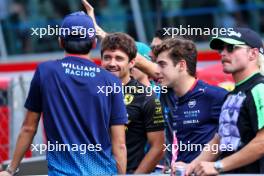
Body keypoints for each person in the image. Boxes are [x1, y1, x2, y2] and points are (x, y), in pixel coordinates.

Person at [0, 11, 128, 176]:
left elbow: (28, 128)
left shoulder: (45, 71)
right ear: (94, 43)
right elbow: (120, 144)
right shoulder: (111, 81)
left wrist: (10, 170)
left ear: (61, 41)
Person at [185, 27, 264, 175]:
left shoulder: (260, 89)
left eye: (231, 47)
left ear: (253, 53)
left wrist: (218, 166)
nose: (223, 53)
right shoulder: (231, 95)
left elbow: (262, 142)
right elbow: (220, 139)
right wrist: (191, 167)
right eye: (221, 49)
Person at [151, 37, 228, 170]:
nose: (157, 70)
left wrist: (197, 165)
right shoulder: (165, 94)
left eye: (162, 64)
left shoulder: (215, 95)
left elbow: (229, 138)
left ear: (181, 65)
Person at [100, 32, 165, 174]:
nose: (112, 63)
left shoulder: (146, 96)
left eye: (119, 58)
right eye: (107, 58)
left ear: (132, 63)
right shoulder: (92, 92)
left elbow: (158, 146)